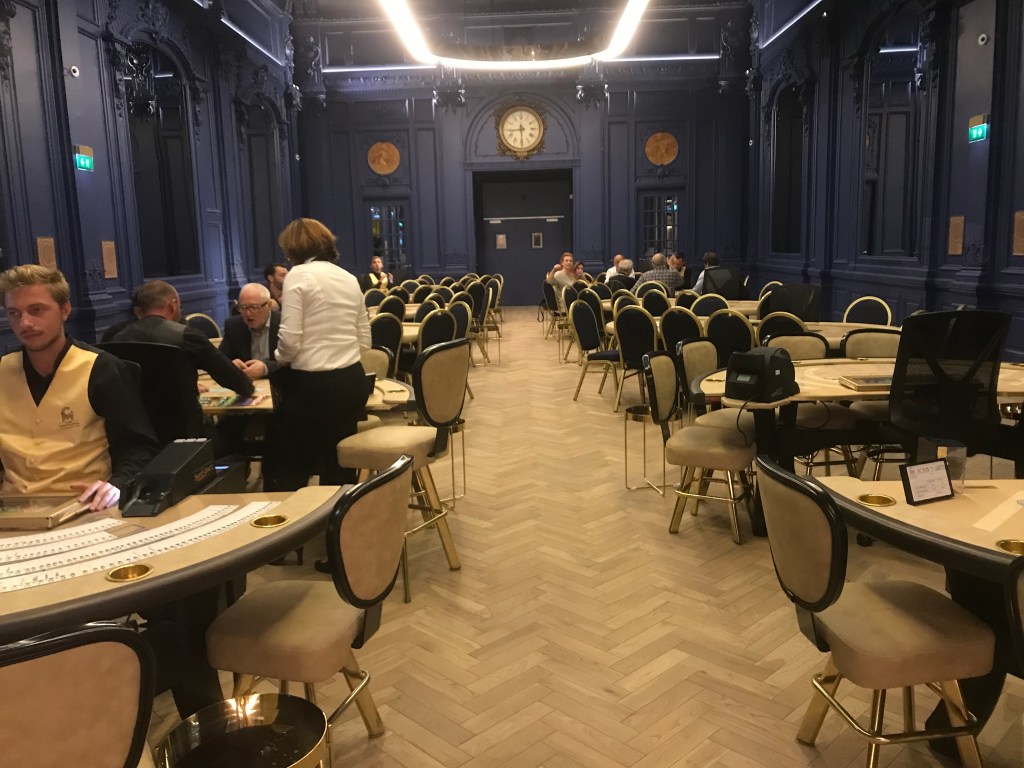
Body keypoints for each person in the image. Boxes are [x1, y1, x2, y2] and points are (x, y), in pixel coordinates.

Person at [0, 265, 158, 509]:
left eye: (36, 310)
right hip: (13, 511)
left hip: (84, 506)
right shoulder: (3, 371)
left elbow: (139, 447)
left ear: (65, 310)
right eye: (14, 313)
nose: (25, 323)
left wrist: (117, 485)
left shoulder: (101, 369)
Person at [268, 217, 371, 493]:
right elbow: (365, 339)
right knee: (339, 464)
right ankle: (339, 516)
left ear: (293, 250)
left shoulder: (298, 276)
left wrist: (278, 358)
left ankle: (297, 517)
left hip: (311, 386)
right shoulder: (349, 278)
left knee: (293, 466)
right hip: (351, 381)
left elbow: (289, 341)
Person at [113, 280, 254, 398]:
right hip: (183, 421)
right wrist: (248, 387)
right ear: (173, 305)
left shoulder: (118, 337)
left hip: (134, 421)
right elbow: (231, 377)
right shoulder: (187, 336)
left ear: (139, 311)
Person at [219, 283, 280, 380]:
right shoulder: (234, 326)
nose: (248, 314)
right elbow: (219, 360)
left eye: (254, 307)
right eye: (243, 307)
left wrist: (266, 368)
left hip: (279, 384)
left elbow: (292, 364)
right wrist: (230, 365)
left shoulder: (283, 324)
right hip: (247, 384)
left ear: (268, 305)